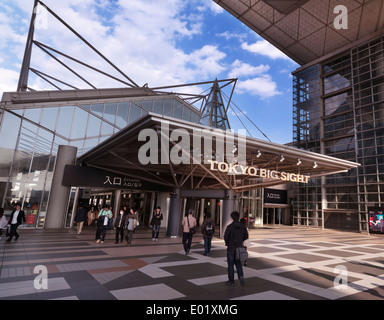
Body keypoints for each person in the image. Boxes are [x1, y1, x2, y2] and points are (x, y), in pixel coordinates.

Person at [224, 211, 248, 287]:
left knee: (230, 265)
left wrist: (228, 243)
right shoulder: (243, 226)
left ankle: (231, 282)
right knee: (238, 264)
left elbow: (226, 237)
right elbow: (246, 236)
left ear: (232, 218)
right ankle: (241, 278)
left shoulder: (229, 227)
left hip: (231, 248)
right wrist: (240, 241)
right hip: (239, 248)